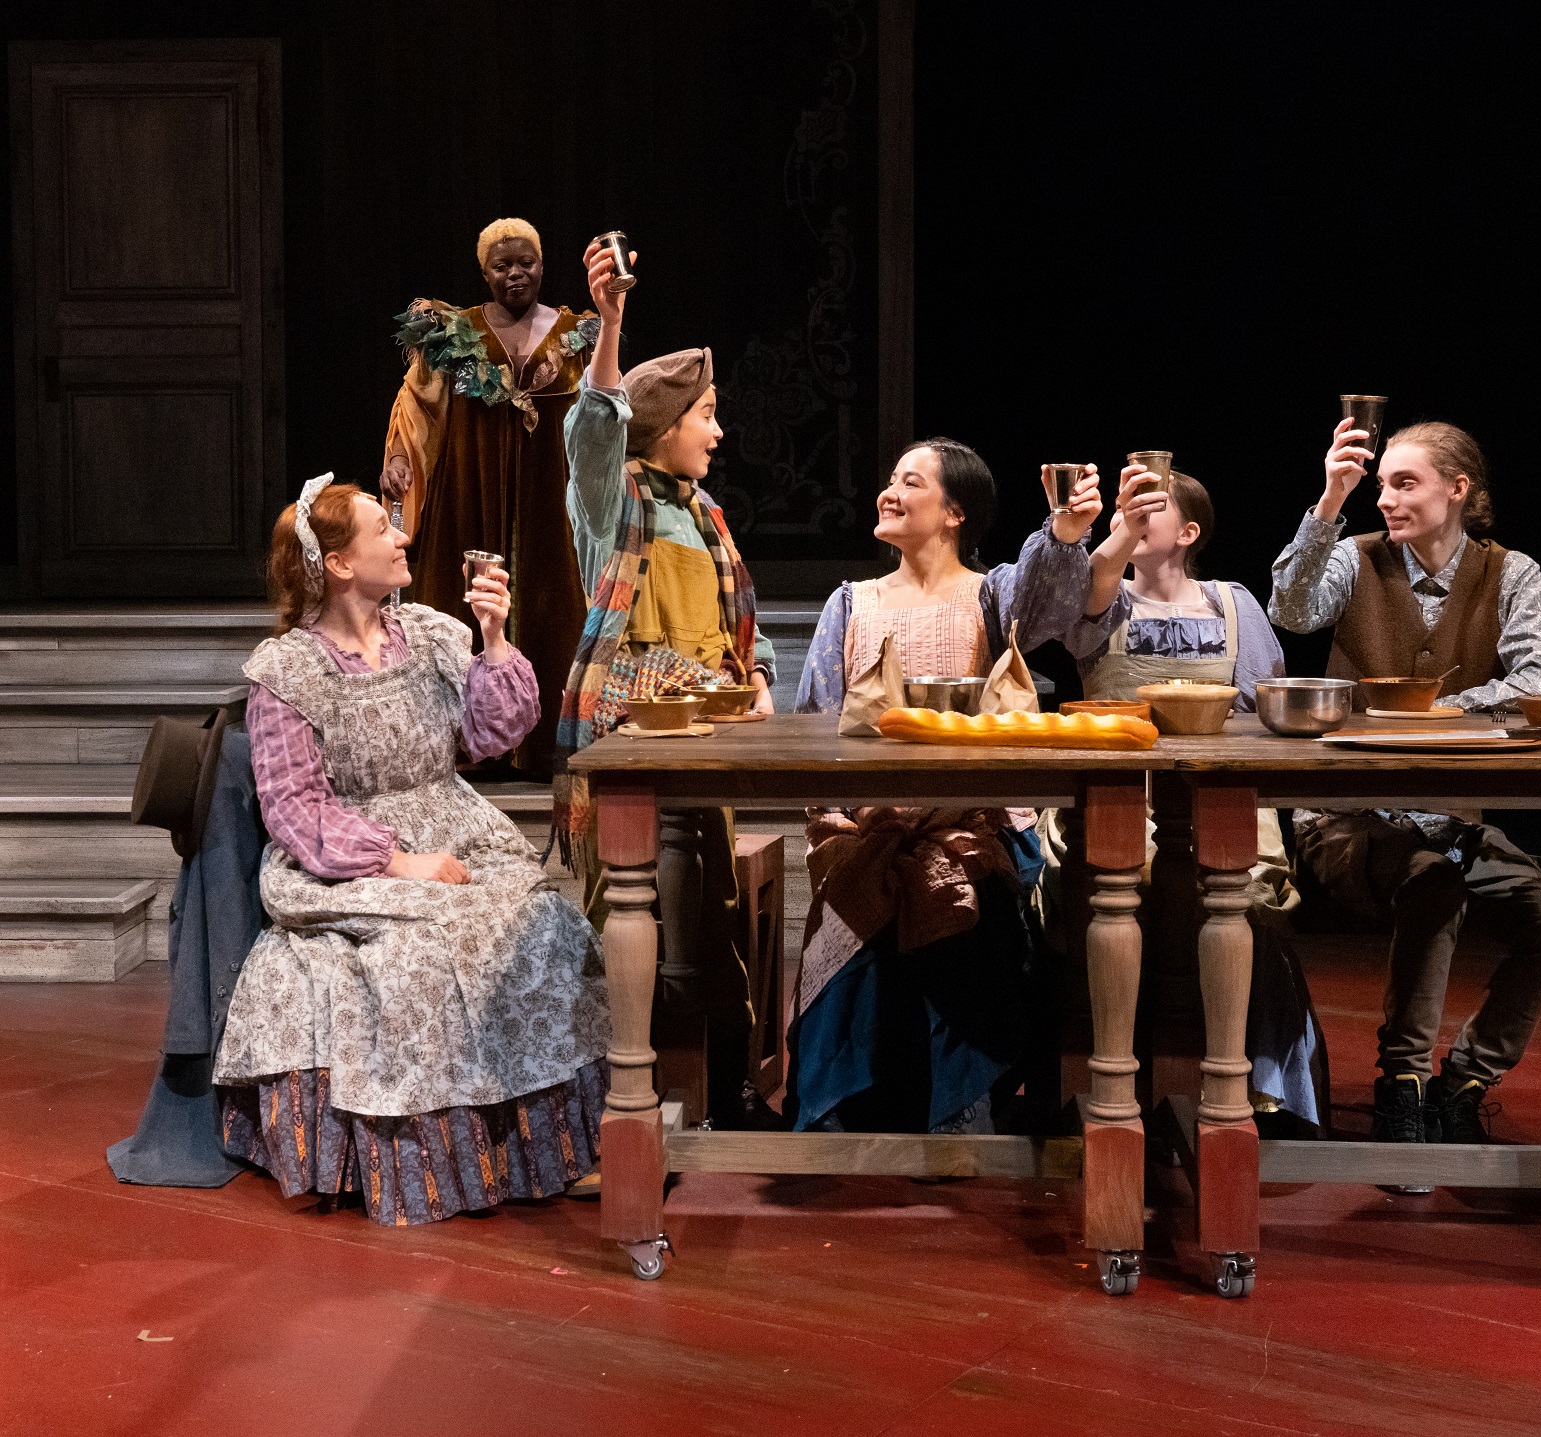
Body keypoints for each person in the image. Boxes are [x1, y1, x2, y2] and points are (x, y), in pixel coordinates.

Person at [214, 477, 609, 1224]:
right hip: (348, 858)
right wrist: (399, 861)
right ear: (338, 564)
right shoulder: (286, 672)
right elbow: (294, 809)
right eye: (382, 530)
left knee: (545, 926)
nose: (402, 539)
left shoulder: (428, 634)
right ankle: (446, 1163)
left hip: (455, 823)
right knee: (416, 955)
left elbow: (492, 735)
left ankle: (559, 1142)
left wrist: (493, 639)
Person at [1268, 419, 1541, 1146]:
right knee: (1432, 884)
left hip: (1449, 820)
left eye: (1403, 483)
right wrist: (1331, 497)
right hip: (1347, 816)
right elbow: (1291, 609)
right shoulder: (1356, 558)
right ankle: (1402, 1084)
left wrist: (1435, 711)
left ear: (1457, 489)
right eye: (1381, 484)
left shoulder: (1512, 573)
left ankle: (1466, 1078)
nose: (1385, 499)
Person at [791, 439, 1100, 1133]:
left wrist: (1064, 531)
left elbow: (1050, 596)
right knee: (864, 895)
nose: (889, 492)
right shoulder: (850, 603)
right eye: (890, 479)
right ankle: (849, 1112)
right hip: (871, 828)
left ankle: (961, 1109)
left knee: (958, 901)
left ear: (955, 512)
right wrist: (852, 819)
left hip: (970, 828)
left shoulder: (992, 594)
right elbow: (816, 722)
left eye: (910, 482)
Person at [553, 239, 781, 1130]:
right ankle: (626, 1098)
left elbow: (737, 624)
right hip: (634, 742)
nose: (717, 434)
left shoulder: (704, 515)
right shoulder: (615, 503)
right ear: (661, 426)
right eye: (707, 416)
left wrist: (757, 673)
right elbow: (592, 428)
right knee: (639, 915)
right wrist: (609, 324)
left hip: (706, 740)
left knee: (710, 914)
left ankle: (717, 1091)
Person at [1063, 464, 1325, 1132]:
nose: (1132, 514)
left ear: (1188, 532)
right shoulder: (1101, 596)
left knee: (1246, 914)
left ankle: (1255, 1088)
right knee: (1104, 905)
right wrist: (1115, 534)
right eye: (1126, 503)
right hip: (1120, 802)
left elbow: (1265, 710)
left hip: (1219, 801)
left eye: (1150, 505)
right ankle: (1104, 1082)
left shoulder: (1231, 605)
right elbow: (1090, 586)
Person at [379, 217, 599, 777]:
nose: (515, 274)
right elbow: (417, 403)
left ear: (542, 266)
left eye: (526, 263)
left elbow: (601, 409)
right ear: (485, 273)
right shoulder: (456, 332)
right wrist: (400, 456)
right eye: (502, 266)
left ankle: (547, 742)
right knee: (465, 607)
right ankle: (469, 744)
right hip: (468, 492)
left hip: (550, 498)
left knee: (552, 605)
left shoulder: (576, 333)